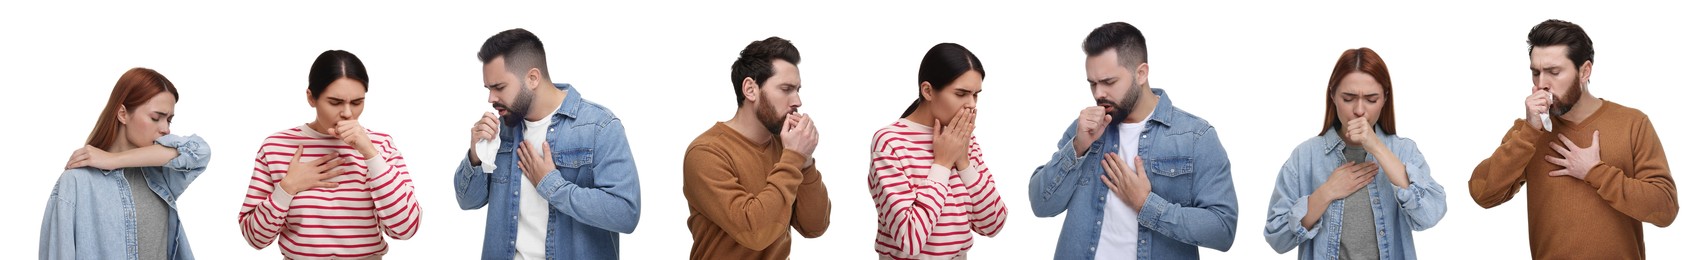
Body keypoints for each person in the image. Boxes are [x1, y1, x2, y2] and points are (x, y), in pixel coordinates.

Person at [1468, 19, 1678, 259]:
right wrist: (1529, 131)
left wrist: (1595, 172)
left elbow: (1665, 209)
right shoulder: (1528, 132)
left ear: (1584, 71)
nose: (1541, 84)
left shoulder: (1632, 124)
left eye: (1554, 72)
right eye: (1536, 73)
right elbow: (1482, 193)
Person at [1027, 22, 1238, 260]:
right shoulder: (1085, 130)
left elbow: (1223, 229)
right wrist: (1077, 147)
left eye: (1109, 82)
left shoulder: (1195, 137)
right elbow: (1041, 205)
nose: (1098, 94)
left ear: (1141, 73)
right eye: (1092, 83)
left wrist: (1146, 204)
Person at [454, 28, 642, 259]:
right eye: (488, 88)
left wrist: (551, 185)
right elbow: (467, 201)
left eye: (499, 87)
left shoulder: (598, 127)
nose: (491, 98)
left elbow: (625, 213)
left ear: (533, 78)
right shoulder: (500, 130)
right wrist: (475, 154)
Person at [1262, 47, 1447, 260]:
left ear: (1385, 98)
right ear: (1332, 95)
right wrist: (1326, 193)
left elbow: (1431, 214)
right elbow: (1277, 237)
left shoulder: (1403, 151)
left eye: (1371, 99)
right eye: (1348, 98)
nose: (1359, 110)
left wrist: (1377, 147)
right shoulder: (1305, 157)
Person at [238, 50, 421, 259]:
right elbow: (255, 238)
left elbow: (407, 228)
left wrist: (370, 153)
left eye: (357, 102)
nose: (348, 113)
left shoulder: (381, 145)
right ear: (311, 98)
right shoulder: (276, 147)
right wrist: (288, 187)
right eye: (335, 102)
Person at [681, 36, 830, 260]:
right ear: (750, 89)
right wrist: (793, 157)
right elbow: (755, 232)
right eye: (786, 89)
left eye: (798, 89)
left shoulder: (787, 147)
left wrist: (805, 160)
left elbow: (815, 227)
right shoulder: (706, 152)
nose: (797, 100)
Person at [41, 67, 210, 260]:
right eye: (156, 118)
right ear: (122, 114)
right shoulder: (77, 182)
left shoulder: (161, 175)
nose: (165, 129)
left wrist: (112, 160)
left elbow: (200, 151)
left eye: (169, 120)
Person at [867, 42, 1008, 259]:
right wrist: (942, 163)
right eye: (961, 94)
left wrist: (963, 161)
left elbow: (994, 223)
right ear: (928, 91)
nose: (971, 105)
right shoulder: (889, 142)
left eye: (976, 94)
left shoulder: (965, 140)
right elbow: (909, 241)